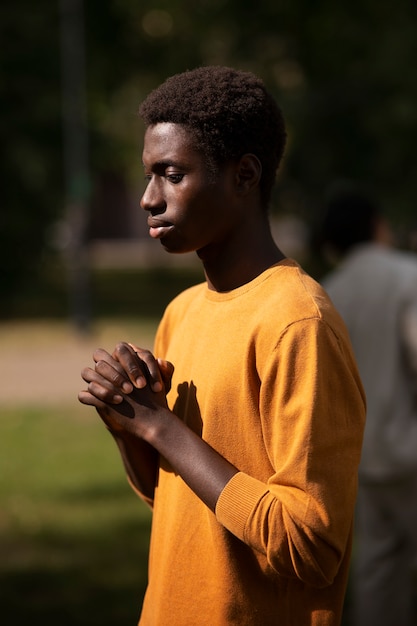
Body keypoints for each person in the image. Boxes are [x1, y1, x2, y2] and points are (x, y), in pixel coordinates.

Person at [78, 67, 365, 626]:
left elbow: (311, 546)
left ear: (244, 175)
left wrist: (163, 428)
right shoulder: (181, 312)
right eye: (147, 176)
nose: (147, 199)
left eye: (171, 175)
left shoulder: (298, 322)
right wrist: (129, 425)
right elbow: (175, 500)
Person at [320, 183, 417, 626]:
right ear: (377, 227)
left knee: (378, 574)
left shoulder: (324, 293)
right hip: (411, 453)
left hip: (359, 461)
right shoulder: (407, 276)